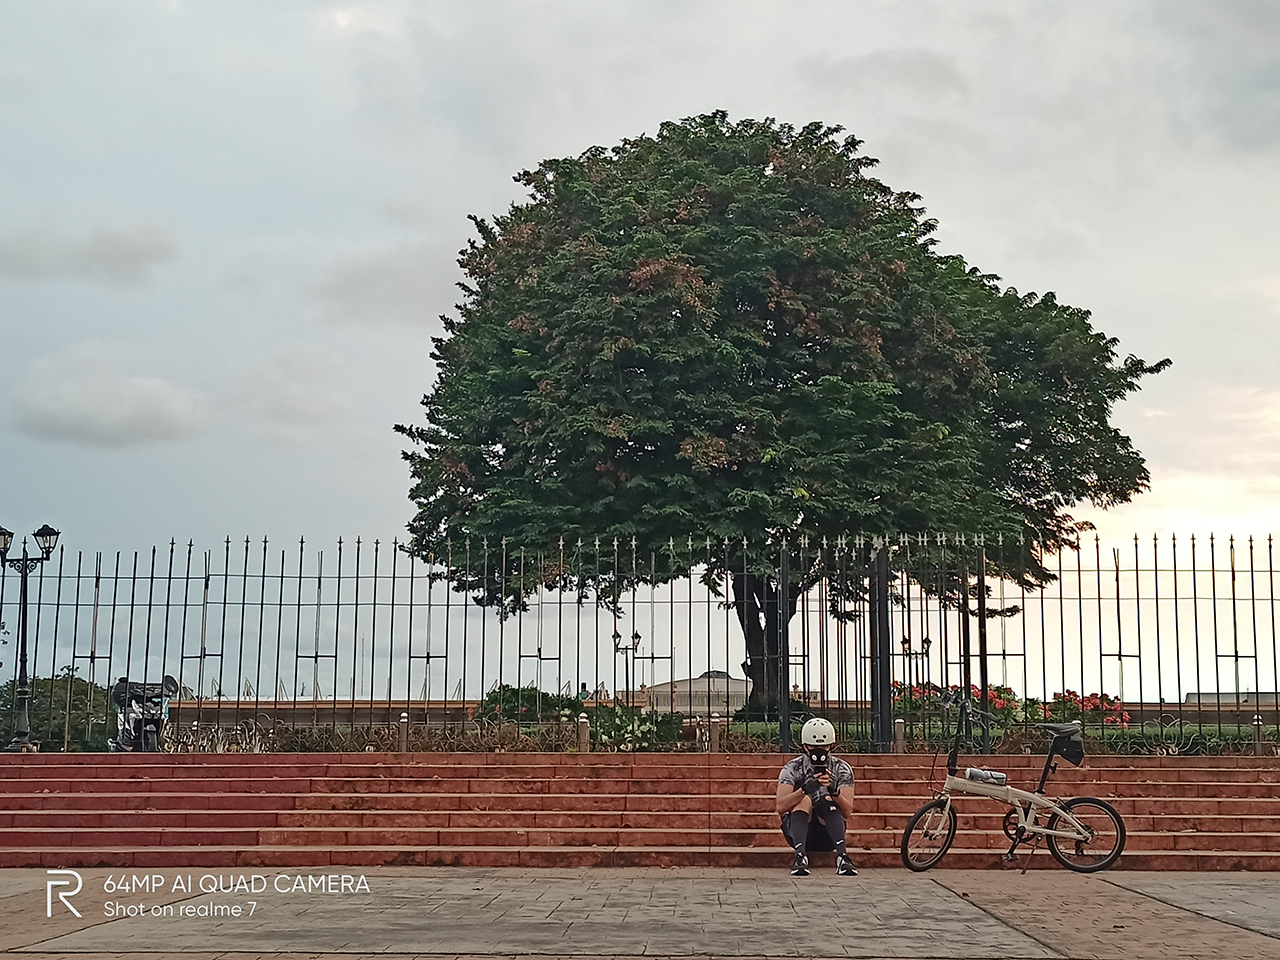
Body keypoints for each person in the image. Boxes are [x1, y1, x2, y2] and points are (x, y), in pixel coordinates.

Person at [775, 717, 857, 877]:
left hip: (828, 833)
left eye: (824, 746)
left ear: (831, 745)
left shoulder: (841, 768)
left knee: (826, 800)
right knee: (804, 800)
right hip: (797, 832)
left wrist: (835, 792)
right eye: (814, 747)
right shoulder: (792, 768)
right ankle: (800, 856)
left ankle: (843, 856)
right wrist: (803, 790)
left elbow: (847, 811)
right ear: (805, 746)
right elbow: (780, 807)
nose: (819, 751)